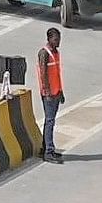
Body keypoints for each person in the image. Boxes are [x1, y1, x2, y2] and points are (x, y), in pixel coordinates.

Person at [36, 27, 66, 161]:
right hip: (48, 94)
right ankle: (49, 152)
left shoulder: (56, 52)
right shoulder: (44, 53)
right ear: (49, 39)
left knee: (50, 121)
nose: (58, 41)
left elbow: (57, 74)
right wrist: (47, 92)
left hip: (56, 92)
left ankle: (46, 147)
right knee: (49, 121)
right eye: (55, 39)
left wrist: (60, 91)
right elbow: (43, 74)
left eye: (59, 39)